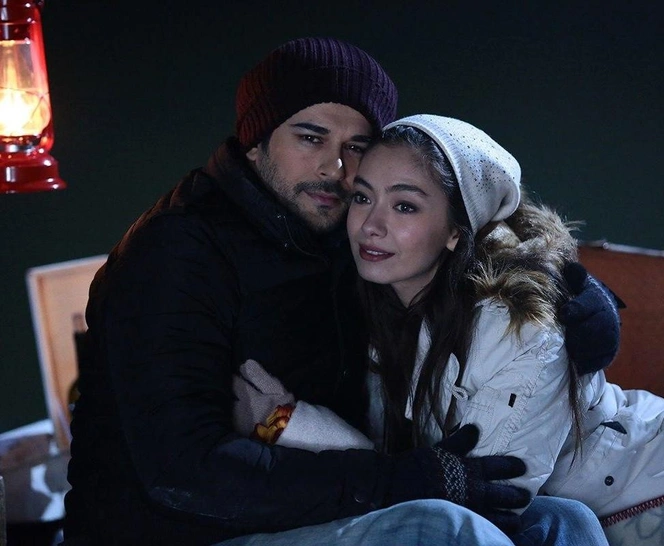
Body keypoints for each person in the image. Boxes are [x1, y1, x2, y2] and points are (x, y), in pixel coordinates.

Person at [63, 38, 619, 546]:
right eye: (310, 138)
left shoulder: (339, 224)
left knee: (563, 522)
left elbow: (458, 221)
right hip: (177, 532)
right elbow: (183, 475)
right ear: (255, 143)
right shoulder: (177, 251)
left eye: (357, 146)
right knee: (445, 529)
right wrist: (393, 482)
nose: (335, 168)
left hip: (311, 502)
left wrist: (564, 293)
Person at [255, 113, 664, 543]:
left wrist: (293, 426)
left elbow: (484, 500)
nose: (370, 225)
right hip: (582, 516)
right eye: (363, 197)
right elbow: (409, 472)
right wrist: (292, 424)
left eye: (405, 206)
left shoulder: (519, 326)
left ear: (456, 230)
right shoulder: (376, 303)